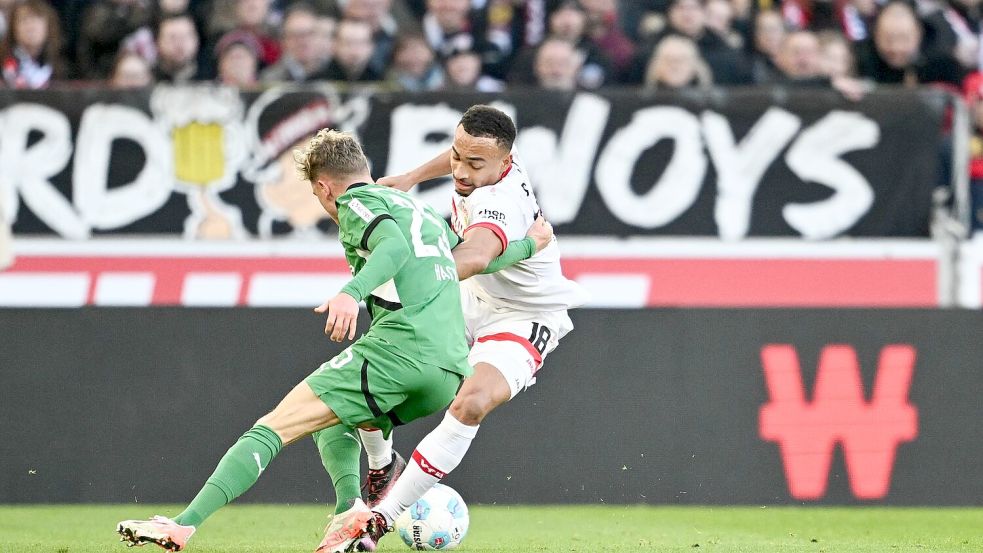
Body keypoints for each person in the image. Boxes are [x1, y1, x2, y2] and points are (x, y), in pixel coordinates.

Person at [114, 128, 552, 553]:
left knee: (271, 428)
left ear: (324, 188)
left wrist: (350, 293)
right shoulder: (411, 206)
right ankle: (351, 509)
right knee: (336, 420)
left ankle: (182, 526)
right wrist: (530, 245)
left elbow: (393, 248)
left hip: (400, 350)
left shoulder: (355, 202)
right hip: (450, 369)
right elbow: (473, 258)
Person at [355, 105, 589, 549]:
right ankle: (383, 465)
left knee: (472, 403)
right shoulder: (485, 159)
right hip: (472, 298)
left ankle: (379, 520)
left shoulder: (499, 203)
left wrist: (406, 273)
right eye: (457, 155)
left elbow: (476, 256)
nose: (460, 170)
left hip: (523, 314)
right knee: (376, 363)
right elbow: (460, 156)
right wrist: (410, 177)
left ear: (505, 162)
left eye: (474, 163)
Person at [0, 0, 65, 89]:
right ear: (13, 28)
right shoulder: (2, 60)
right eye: (24, 20)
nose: (30, 27)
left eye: (36, 19)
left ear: (49, 26)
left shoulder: (62, 65)